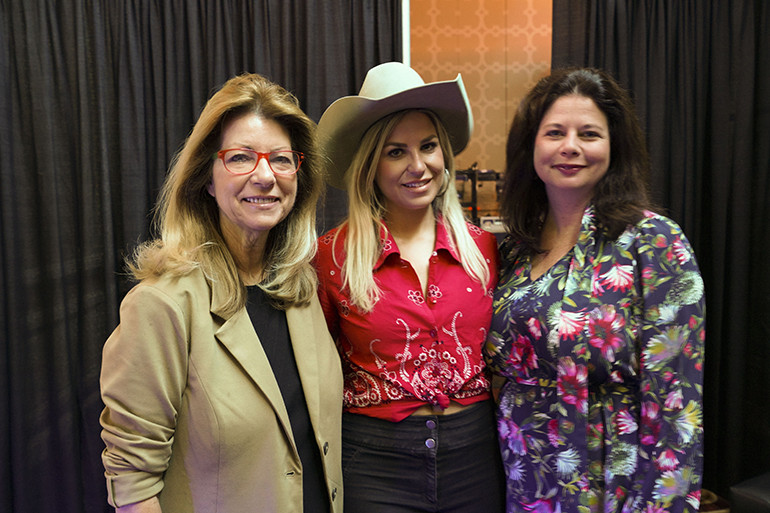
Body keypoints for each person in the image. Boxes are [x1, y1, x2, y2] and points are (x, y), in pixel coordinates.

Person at [99, 73, 343, 513]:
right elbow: (134, 486)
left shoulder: (301, 288)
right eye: (241, 158)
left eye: (281, 159)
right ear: (207, 179)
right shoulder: (162, 305)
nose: (265, 176)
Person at [485, 67, 706, 512]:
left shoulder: (654, 241)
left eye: (588, 134)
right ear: (531, 146)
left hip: (613, 481)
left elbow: (676, 405)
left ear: (614, 146)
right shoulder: (513, 249)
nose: (570, 146)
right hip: (522, 478)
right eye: (554, 133)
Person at [314, 61, 506, 512]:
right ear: (371, 165)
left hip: (475, 455)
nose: (418, 166)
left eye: (428, 146)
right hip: (374, 460)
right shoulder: (332, 256)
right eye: (396, 151)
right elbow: (316, 368)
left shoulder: (483, 248)